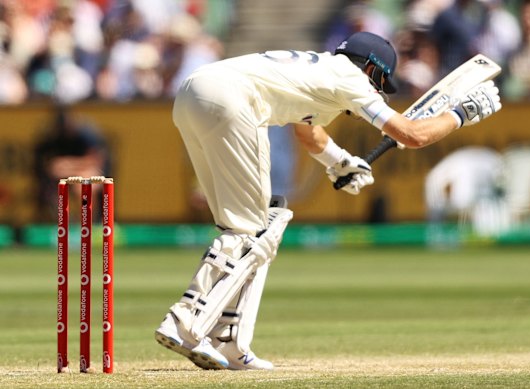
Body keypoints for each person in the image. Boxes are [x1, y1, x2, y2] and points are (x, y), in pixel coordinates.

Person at [155, 31, 502, 371]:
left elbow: (307, 132)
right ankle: (185, 320)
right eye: (381, 84)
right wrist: (460, 115)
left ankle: (230, 340)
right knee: (252, 231)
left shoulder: (322, 71)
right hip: (232, 100)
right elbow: (411, 135)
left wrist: (339, 162)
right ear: (372, 71)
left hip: (192, 92)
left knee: (259, 224)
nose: (378, 92)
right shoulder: (352, 79)